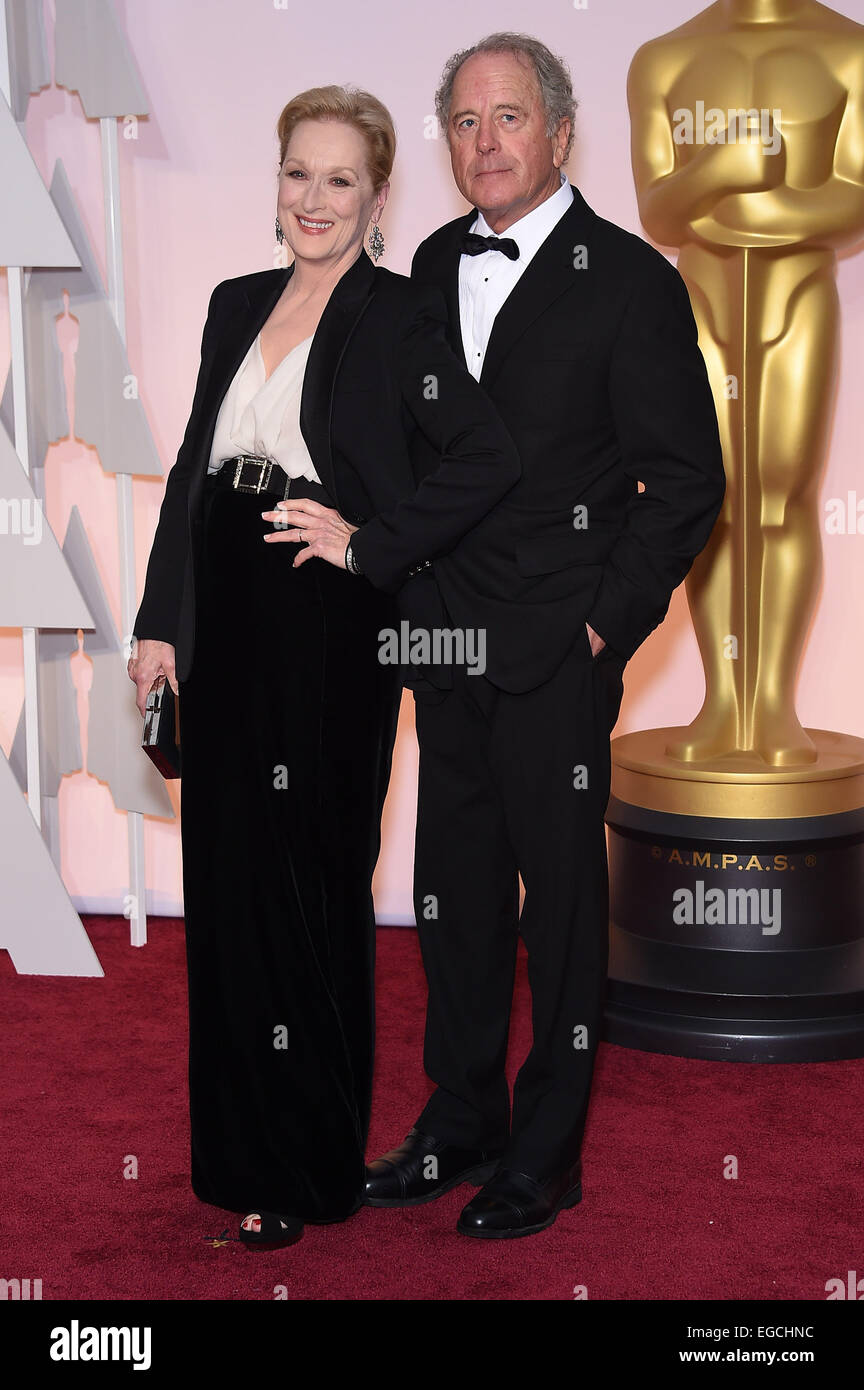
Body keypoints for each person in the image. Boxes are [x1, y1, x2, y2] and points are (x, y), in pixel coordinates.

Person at [127, 85, 520, 1250]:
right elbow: (196, 467)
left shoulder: (399, 320)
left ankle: (311, 1162)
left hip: (328, 624)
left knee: (309, 892)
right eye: (299, 173)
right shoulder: (232, 302)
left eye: (339, 179)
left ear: (377, 197)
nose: (313, 198)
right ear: (278, 180)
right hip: (228, 611)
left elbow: (486, 454)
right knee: (233, 894)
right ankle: (244, 1157)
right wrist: (163, 624)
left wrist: (366, 539)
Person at [356, 33, 726, 1238]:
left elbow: (683, 484)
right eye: (464, 124)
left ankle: (546, 1156)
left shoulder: (630, 280)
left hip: (555, 647)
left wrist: (598, 626)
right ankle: (458, 1121)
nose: (485, 143)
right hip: (441, 643)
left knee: (560, 909)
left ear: (561, 132)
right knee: (450, 895)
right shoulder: (424, 262)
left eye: (508, 117)